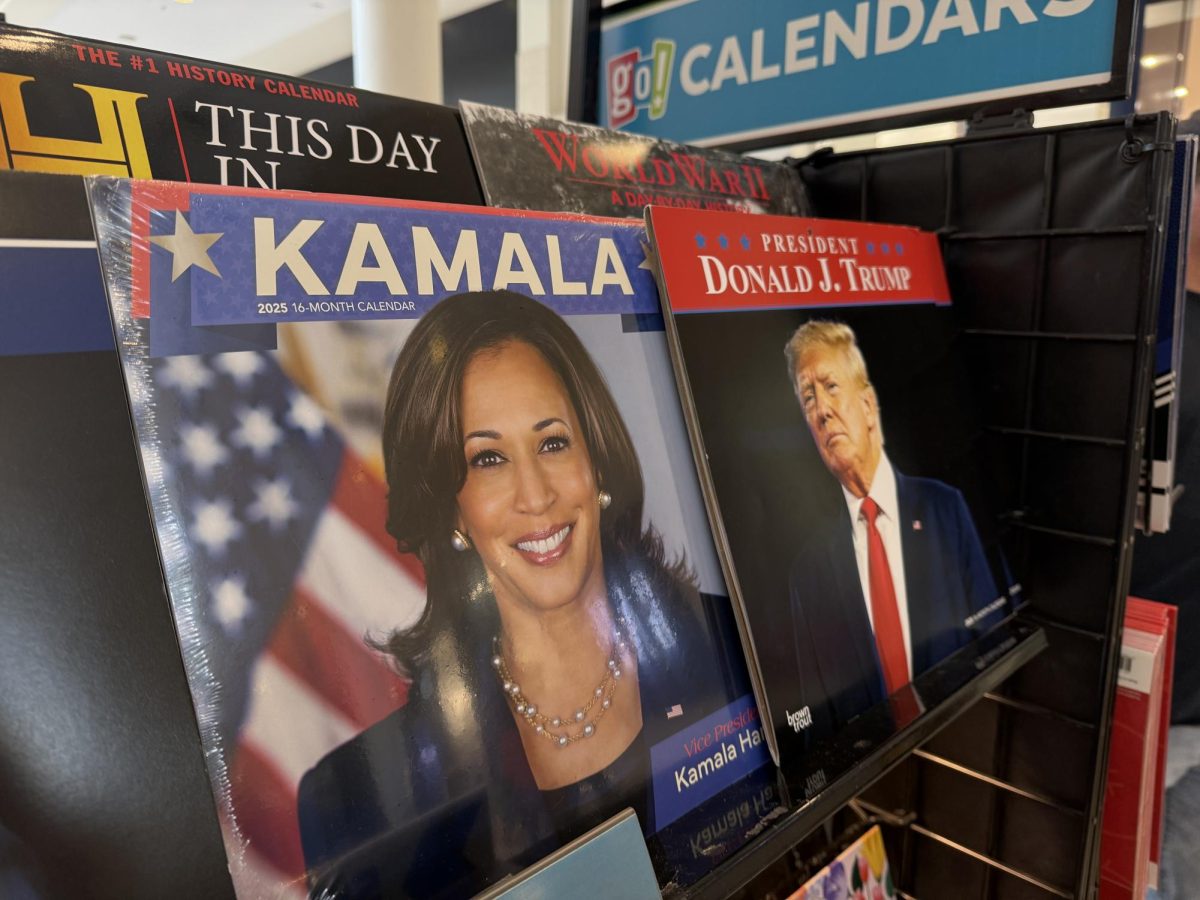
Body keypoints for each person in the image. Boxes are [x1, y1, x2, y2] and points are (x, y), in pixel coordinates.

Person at [296, 291, 744, 898]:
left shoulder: (739, 648)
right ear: (450, 510)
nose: (535, 495)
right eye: (487, 459)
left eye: (553, 442)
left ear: (597, 462)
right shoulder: (354, 802)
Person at [784, 320, 1002, 741]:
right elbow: (820, 733)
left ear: (867, 406)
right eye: (808, 397)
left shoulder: (946, 510)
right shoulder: (807, 576)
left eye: (830, 386)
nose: (822, 409)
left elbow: (995, 644)